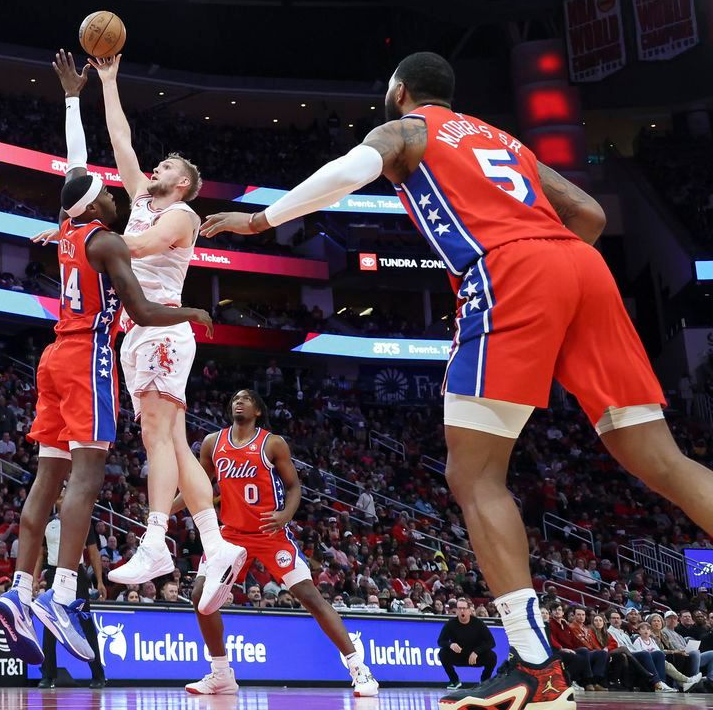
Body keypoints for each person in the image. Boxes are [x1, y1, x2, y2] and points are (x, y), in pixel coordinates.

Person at [202, 51, 713, 710]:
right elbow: (587, 212)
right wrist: (556, 275)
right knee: (661, 460)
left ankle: (537, 667)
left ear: (400, 91)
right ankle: (536, 664)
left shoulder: (408, 131)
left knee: (473, 476)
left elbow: (347, 173)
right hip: (582, 271)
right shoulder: (505, 140)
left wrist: (258, 221)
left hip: (509, 274)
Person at [0, 52, 213, 668]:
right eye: (108, 198)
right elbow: (142, 307)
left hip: (51, 357)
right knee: (89, 477)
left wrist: (76, 99)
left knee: (48, 475)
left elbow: (79, 164)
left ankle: (19, 589)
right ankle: (63, 595)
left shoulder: (72, 228)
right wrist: (191, 315)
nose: (122, 194)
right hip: (92, 353)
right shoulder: (111, 235)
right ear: (95, 207)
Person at [87, 54, 246, 606]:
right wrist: (108, 81)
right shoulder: (140, 200)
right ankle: (215, 542)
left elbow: (143, 248)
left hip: (162, 329)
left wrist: (86, 242)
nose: (155, 168)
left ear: (184, 186)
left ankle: (156, 539)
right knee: (175, 444)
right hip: (137, 333)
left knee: (157, 435)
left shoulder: (183, 217)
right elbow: (121, 138)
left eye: (168, 168)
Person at [177, 390, 377, 696]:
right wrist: (162, 512)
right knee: (199, 595)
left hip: (269, 533)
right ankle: (221, 674)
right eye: (235, 398)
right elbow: (196, 489)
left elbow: (294, 486)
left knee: (310, 596)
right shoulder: (212, 443)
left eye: (245, 398)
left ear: (258, 410)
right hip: (230, 535)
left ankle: (359, 669)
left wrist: (285, 515)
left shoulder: (272, 443)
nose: (238, 401)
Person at [37, 492, 105, 688]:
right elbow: (40, 553)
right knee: (50, 624)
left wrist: (99, 580)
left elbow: (93, 551)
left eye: (66, 495)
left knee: (85, 624)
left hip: (78, 575)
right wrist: (34, 578)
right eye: (59, 496)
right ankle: (48, 675)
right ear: (55, 502)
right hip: (53, 573)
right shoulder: (48, 524)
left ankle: (98, 675)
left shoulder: (82, 519)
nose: (63, 498)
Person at [437, 598, 497, 689]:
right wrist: (450, 645)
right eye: (459, 608)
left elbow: (491, 642)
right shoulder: (451, 624)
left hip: (475, 657)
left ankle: (484, 681)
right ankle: (454, 680)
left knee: (492, 656)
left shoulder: (478, 623)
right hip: (458, 656)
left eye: (464, 608)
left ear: (469, 610)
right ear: (456, 610)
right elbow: (440, 641)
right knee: (442, 653)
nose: (462, 611)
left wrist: (477, 652)